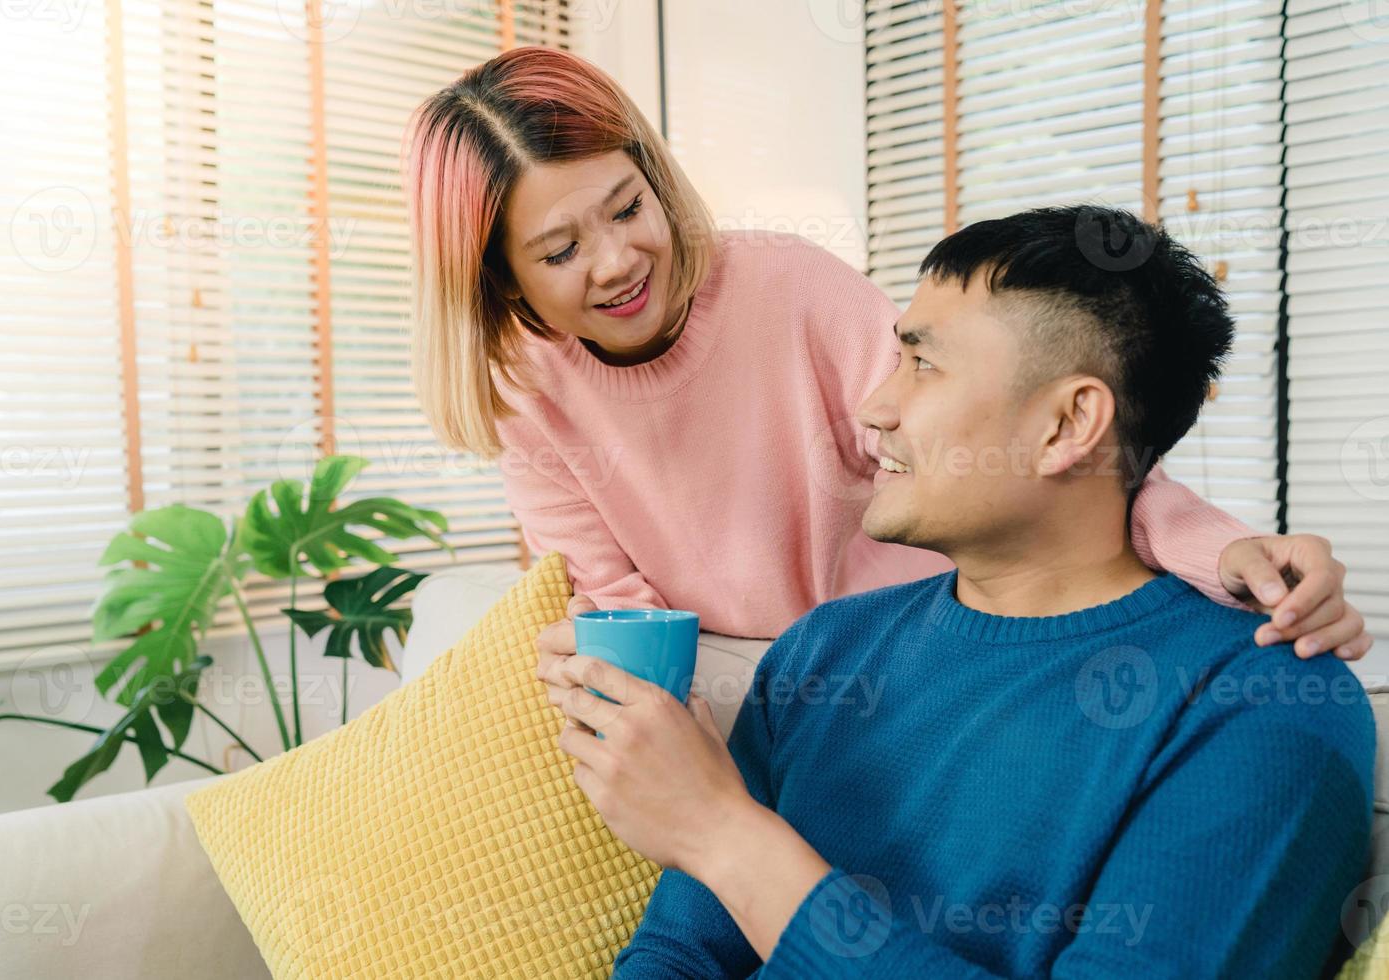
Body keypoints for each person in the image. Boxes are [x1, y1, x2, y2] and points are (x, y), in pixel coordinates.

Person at [399, 46, 1373, 709]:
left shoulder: (780, 281)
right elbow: (623, 615)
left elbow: (1034, 445)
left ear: (653, 175)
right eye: (561, 248)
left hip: (922, 646)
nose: (616, 261)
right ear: (496, 279)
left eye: (625, 205)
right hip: (753, 687)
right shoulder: (525, 396)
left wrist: (1226, 547)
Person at [546, 206, 1377, 977]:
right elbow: (677, 957)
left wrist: (723, 835)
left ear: (1065, 426)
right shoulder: (826, 651)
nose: (874, 407)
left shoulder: (1266, 705)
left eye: (922, 364)